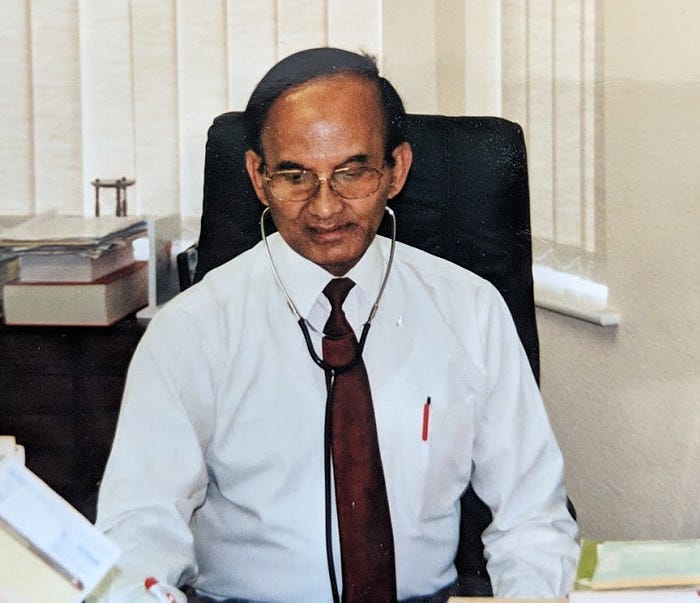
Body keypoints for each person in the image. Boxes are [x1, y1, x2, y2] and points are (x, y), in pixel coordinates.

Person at [91, 47, 579, 603]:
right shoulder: (193, 329)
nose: (325, 209)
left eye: (352, 172)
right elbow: (140, 527)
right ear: (257, 176)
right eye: (295, 175)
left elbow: (533, 517)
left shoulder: (471, 311)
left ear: (397, 170)